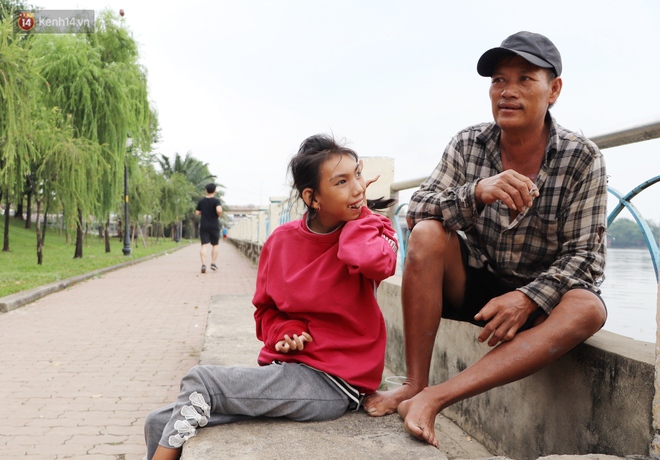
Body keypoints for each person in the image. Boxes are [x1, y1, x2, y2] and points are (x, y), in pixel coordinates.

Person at [363, 31, 608, 448]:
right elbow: (417, 210)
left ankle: (435, 397)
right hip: (476, 286)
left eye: (525, 79)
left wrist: (529, 297)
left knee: (588, 307)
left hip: (538, 297)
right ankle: (414, 384)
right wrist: (476, 192)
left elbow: (586, 256)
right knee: (426, 234)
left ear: (554, 91)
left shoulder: (582, 157)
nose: (508, 92)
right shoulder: (467, 143)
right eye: (498, 80)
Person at [143, 134, 398, 460]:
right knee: (158, 421)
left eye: (358, 175)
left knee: (202, 380)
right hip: (290, 369)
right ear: (312, 197)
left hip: (334, 383)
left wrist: (361, 217)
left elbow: (375, 262)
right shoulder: (281, 241)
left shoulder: (374, 229)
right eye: (342, 182)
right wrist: (284, 331)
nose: (358, 188)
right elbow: (266, 312)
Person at [195, 184, 223, 273]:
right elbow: (219, 210)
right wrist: (218, 214)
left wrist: (204, 211)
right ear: (215, 191)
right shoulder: (216, 201)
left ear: (206, 190)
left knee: (204, 245)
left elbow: (197, 212)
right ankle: (213, 263)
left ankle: (203, 264)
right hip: (214, 225)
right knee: (215, 244)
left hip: (204, 225)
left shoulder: (201, 201)